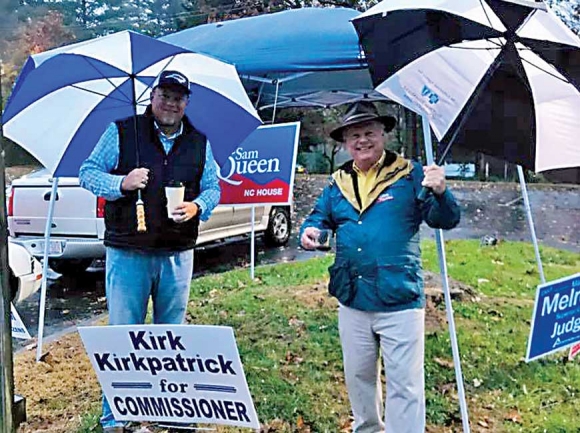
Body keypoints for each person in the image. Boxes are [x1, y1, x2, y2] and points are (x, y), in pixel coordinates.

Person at [300, 101, 460, 433]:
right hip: (352, 297)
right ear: (345, 142)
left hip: (398, 295)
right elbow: (319, 216)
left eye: (369, 132)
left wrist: (441, 192)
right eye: (354, 135)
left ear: (383, 134)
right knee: (359, 377)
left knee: (405, 384)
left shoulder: (412, 174)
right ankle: (368, 429)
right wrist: (309, 230)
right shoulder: (337, 182)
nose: (362, 140)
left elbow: (445, 219)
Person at [79, 70, 220, 433]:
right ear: (151, 96)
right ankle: (116, 417)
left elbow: (213, 188)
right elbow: (87, 172)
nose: (171, 103)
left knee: (171, 336)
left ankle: (171, 412)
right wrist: (121, 183)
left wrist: (197, 207)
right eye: (165, 95)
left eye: (179, 97)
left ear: (186, 102)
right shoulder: (121, 131)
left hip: (177, 252)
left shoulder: (199, 141)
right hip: (128, 251)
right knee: (123, 336)